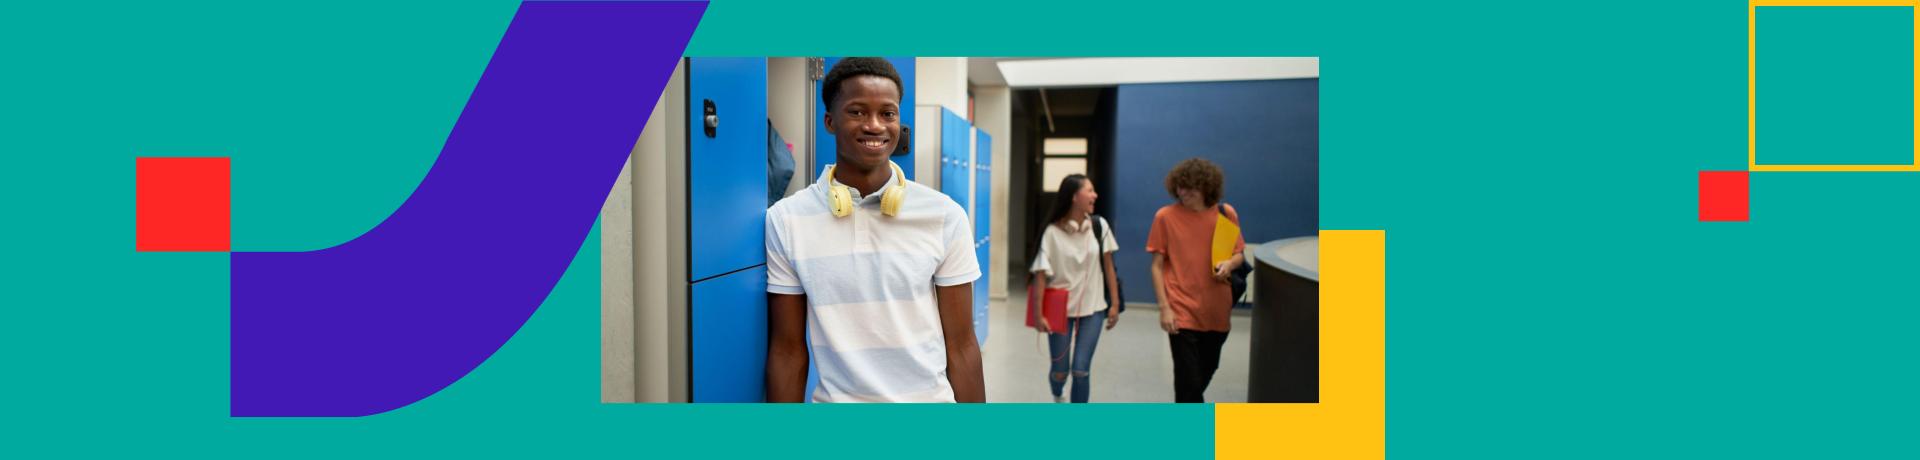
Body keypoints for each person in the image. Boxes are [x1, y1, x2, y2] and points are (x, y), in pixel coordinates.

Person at [763, 58, 985, 403]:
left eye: (888, 113)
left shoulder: (944, 215)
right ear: (830, 121)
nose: (875, 126)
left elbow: (962, 345)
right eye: (856, 112)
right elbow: (788, 351)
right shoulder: (786, 219)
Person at [1145, 158, 1244, 403]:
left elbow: (1238, 254)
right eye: (1180, 186)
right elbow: (1156, 267)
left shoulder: (1226, 213)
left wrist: (1229, 264)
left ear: (1206, 188)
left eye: (1190, 187)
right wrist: (1164, 308)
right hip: (1181, 310)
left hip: (1217, 310)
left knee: (1203, 375)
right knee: (1187, 383)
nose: (1183, 192)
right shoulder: (1165, 217)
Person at [1029, 174, 1122, 403]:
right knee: (1060, 371)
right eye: (1089, 190)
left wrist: (1115, 304)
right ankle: (1057, 392)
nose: (1095, 195)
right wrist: (1038, 314)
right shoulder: (1052, 233)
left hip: (1094, 308)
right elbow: (1040, 275)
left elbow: (1109, 267)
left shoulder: (1100, 227)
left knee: (1081, 370)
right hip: (1059, 311)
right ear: (1074, 197)